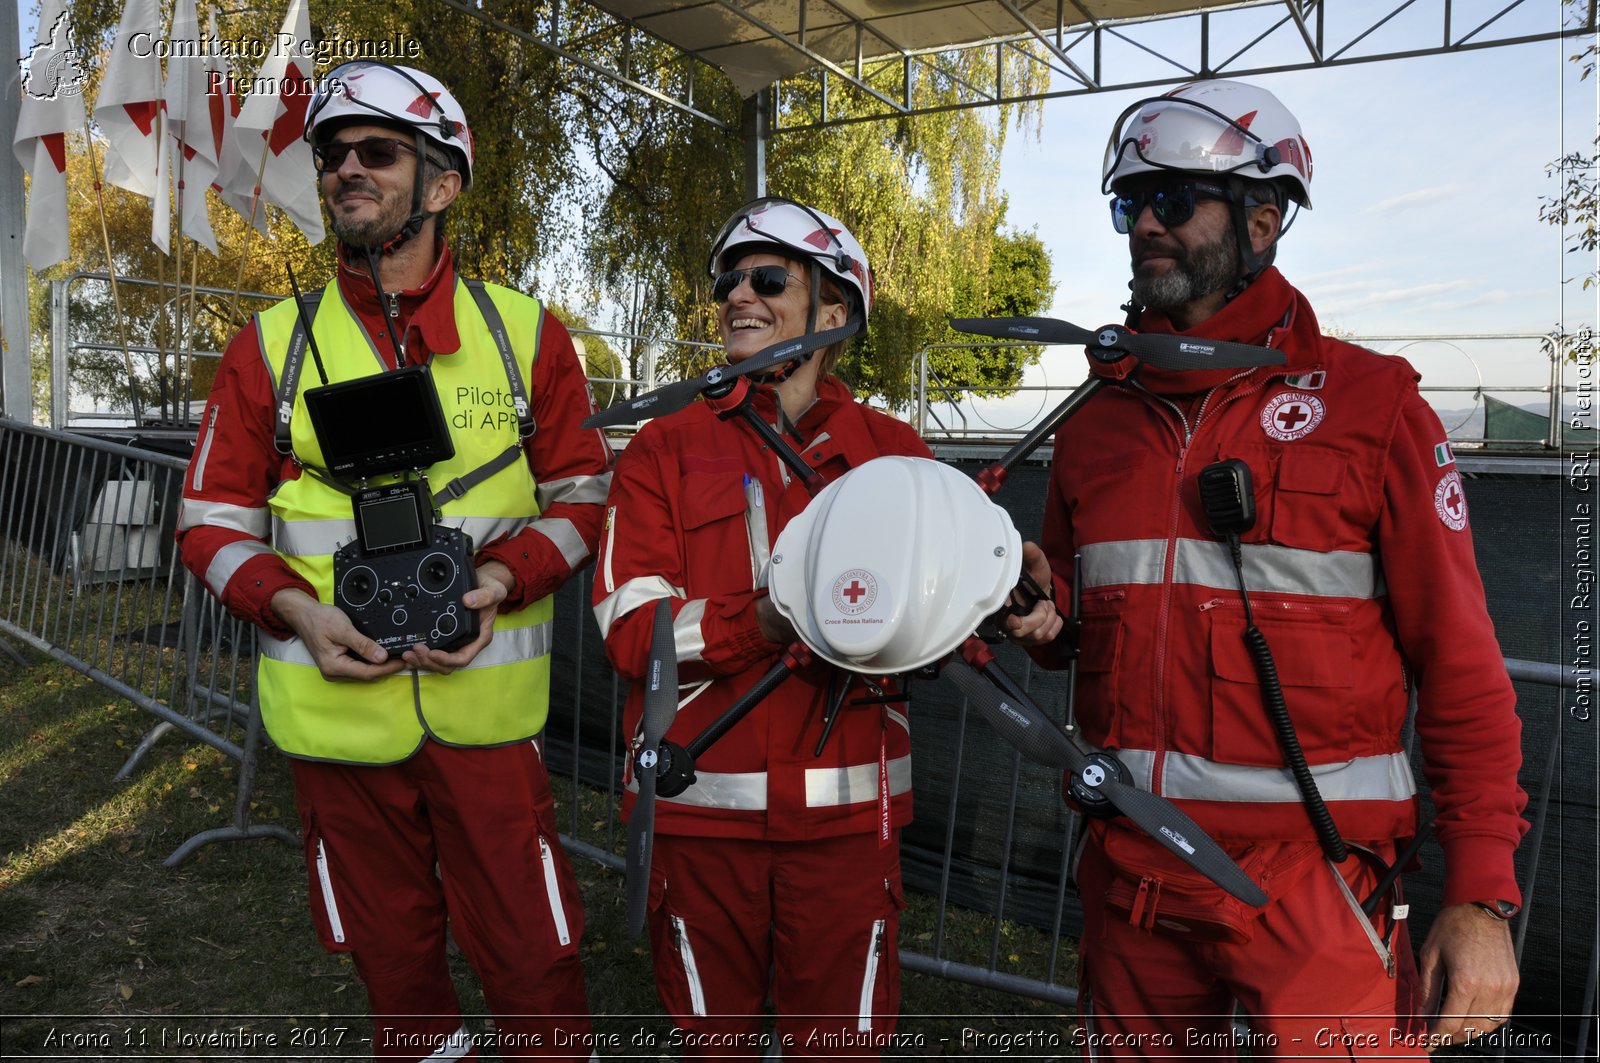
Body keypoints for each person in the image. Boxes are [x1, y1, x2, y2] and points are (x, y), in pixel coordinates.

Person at [1003, 79, 1529, 1055]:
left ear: (1261, 218)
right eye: (1129, 203)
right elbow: (1082, 625)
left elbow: (1459, 664)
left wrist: (1482, 896)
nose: (1143, 226)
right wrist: (1046, 610)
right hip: (1132, 880)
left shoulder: (1374, 408)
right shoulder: (1096, 420)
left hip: (1315, 889)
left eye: (1170, 200)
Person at [175, 61, 610, 1060]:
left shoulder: (526, 337)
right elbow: (206, 522)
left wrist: (502, 581)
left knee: (534, 953)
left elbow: (586, 495)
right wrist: (296, 610)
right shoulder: (271, 347)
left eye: (377, 152)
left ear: (442, 183)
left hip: (486, 719)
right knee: (390, 959)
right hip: (336, 714)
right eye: (332, 156)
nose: (344, 172)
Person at [592, 198, 931, 1056]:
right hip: (698, 824)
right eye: (729, 280)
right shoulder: (661, 450)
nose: (738, 293)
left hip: (850, 836)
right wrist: (767, 620)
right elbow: (633, 630)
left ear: (833, 312)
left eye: (768, 277)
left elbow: (942, 628)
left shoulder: (898, 457)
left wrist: (1003, 599)